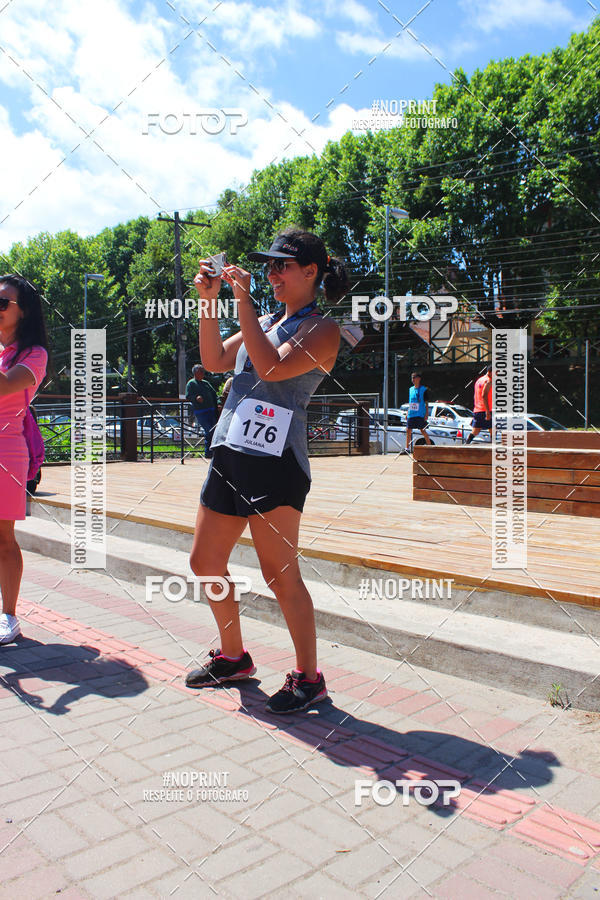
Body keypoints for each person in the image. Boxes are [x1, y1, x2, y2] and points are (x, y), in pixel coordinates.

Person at [185, 227, 348, 713]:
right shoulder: (270, 320)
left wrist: (244, 304)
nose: (272, 273)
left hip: (277, 465)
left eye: (282, 265)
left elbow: (272, 368)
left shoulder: (321, 329)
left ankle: (309, 677)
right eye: (269, 266)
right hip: (230, 453)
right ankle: (234, 656)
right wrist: (210, 302)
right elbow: (213, 360)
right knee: (204, 563)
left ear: (311, 272)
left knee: (280, 575)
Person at [0, 275, 48, 645]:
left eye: (3, 303)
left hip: (7, 451)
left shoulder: (34, 354)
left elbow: (5, 386)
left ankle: (9, 616)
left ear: (24, 311)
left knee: (3, 538)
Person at [185, 364, 218, 458]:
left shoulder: (205, 383)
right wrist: (196, 398)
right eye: (201, 371)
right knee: (209, 430)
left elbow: (214, 394)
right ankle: (208, 452)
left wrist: (218, 403)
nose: (203, 373)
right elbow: (188, 396)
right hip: (201, 411)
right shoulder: (191, 383)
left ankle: (212, 452)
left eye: (203, 371)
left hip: (211, 410)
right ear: (195, 373)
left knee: (214, 430)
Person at [466, 365, 493, 443]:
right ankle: (493, 445)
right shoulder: (489, 381)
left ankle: (467, 442)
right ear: (489, 372)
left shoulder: (479, 380)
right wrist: (487, 412)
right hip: (486, 408)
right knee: (492, 428)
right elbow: (484, 395)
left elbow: (476, 395)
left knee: (476, 430)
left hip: (478, 409)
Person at [405, 371, 432, 451]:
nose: (413, 379)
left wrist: (426, 413)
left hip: (420, 413)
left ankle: (430, 446)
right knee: (408, 430)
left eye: (414, 378)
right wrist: (407, 412)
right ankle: (407, 448)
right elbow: (410, 402)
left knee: (422, 430)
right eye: (412, 378)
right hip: (411, 413)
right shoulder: (410, 389)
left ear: (419, 379)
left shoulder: (423, 389)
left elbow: (426, 402)